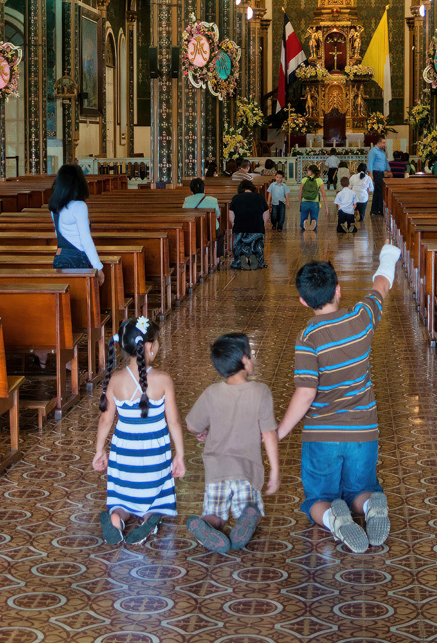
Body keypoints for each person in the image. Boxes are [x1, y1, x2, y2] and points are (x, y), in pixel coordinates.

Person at [278, 246, 402, 553]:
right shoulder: (362, 317)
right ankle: (371, 506)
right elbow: (382, 284)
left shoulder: (308, 338)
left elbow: (306, 393)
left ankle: (334, 519)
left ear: (303, 301)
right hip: (363, 431)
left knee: (317, 498)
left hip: (322, 434)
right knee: (361, 489)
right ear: (338, 290)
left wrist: (279, 432)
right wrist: (388, 253)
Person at [91, 315, 185, 545]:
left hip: (124, 453)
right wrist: (180, 454)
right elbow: (173, 421)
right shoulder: (163, 379)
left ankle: (118, 517)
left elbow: (105, 420)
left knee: (122, 498)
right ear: (150, 347)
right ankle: (148, 518)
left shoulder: (115, 380)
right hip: (154, 453)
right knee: (152, 498)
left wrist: (99, 449)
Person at [184, 332, 279, 553]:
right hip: (247, 470)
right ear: (245, 360)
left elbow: (192, 425)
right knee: (250, 508)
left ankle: (209, 525)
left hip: (216, 470)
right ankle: (247, 520)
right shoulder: (261, 392)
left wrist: (202, 430)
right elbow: (270, 434)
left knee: (214, 512)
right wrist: (274, 470)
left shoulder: (212, 393)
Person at [50, 164, 102, 271]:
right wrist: (98, 267)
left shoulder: (55, 206)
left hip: (60, 256)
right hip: (77, 258)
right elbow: (85, 240)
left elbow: (58, 233)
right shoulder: (79, 206)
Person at [228, 179, 268, 271]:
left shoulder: (236, 198)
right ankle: (257, 260)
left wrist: (235, 225)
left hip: (240, 229)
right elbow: (266, 215)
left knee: (239, 244)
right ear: (252, 189)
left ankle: (240, 259)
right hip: (257, 228)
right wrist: (262, 226)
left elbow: (231, 217)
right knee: (257, 245)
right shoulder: (260, 197)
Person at [366, 132, 389, 218]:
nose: (385, 144)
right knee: (379, 190)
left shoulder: (382, 151)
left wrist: (388, 170)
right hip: (376, 172)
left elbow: (384, 162)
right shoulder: (373, 151)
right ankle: (379, 209)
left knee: (378, 191)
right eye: (383, 142)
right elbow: (370, 162)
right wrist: (370, 174)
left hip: (381, 173)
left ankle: (374, 210)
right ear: (378, 142)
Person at [333, 170, 360, 235]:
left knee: (339, 227)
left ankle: (341, 227)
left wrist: (339, 209)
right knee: (351, 222)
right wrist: (353, 208)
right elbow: (355, 204)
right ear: (348, 184)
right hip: (350, 211)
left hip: (342, 211)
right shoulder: (353, 192)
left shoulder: (339, 193)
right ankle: (351, 226)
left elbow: (337, 204)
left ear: (341, 184)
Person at [298, 165, 322, 232]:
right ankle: (314, 239)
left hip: (305, 202)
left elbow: (300, 193)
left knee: (302, 223)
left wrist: (301, 202)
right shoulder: (319, 180)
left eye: (308, 170)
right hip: (315, 202)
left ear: (311, 172)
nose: (307, 172)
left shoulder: (304, 180)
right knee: (314, 223)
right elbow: (324, 195)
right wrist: (326, 207)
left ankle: (303, 239)